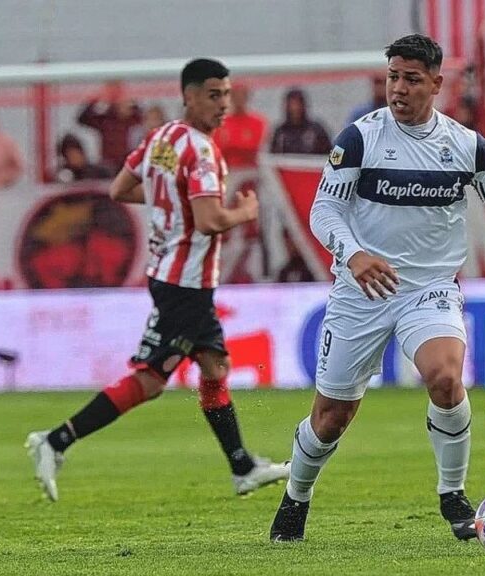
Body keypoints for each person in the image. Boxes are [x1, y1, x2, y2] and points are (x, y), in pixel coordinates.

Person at [269, 34, 485, 543]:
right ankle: (297, 495)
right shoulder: (360, 138)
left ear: (436, 84)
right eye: (392, 77)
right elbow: (324, 209)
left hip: (429, 286)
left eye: (411, 79)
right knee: (332, 418)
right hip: (361, 291)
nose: (398, 89)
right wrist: (353, 254)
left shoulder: (466, 146)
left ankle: (453, 494)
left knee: (446, 379)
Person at [25, 58, 289, 502]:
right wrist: (243, 212)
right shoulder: (203, 152)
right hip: (185, 284)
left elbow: (121, 189)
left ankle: (242, 466)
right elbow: (208, 221)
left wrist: (170, 198)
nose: (223, 104)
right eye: (213, 94)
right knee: (153, 380)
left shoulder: (161, 138)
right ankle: (55, 441)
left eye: (226, 94)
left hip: (170, 276)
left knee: (211, 368)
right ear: (187, 95)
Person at [78, 80, 143, 170]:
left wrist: (131, 103)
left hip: (127, 161)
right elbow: (82, 119)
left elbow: (143, 118)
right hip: (107, 163)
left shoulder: (130, 117)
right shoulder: (104, 119)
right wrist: (101, 101)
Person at [214, 83, 267, 168]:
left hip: (249, 169)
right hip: (228, 169)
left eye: (242, 95)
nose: (239, 99)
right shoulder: (221, 122)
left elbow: (254, 148)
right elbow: (218, 148)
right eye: (236, 95)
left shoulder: (258, 122)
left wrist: (232, 147)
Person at [270, 88, 332, 154]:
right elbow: (273, 157)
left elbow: (332, 155)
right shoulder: (280, 133)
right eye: (291, 105)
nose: (295, 108)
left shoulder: (316, 131)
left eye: (298, 104)